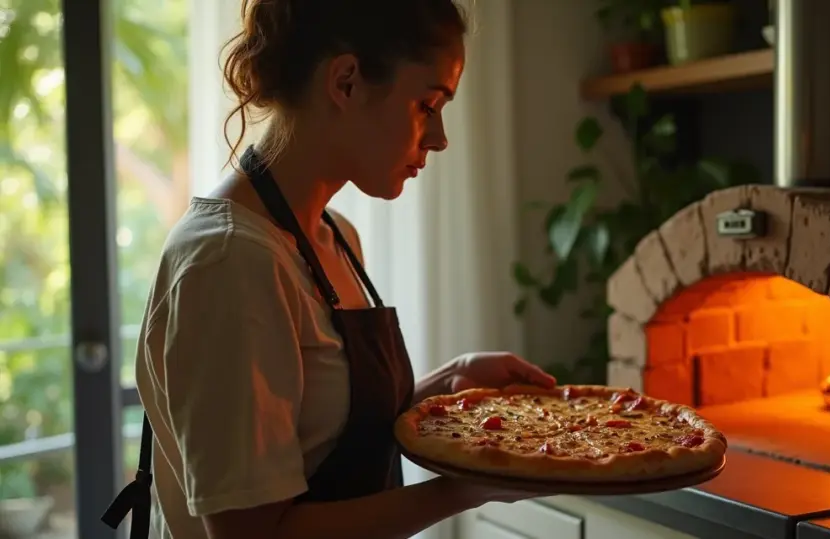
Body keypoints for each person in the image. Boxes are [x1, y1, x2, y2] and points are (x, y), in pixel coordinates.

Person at [101, 1, 555, 538]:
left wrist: (443, 385)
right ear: (346, 82)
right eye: (427, 105)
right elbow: (251, 535)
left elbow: (319, 432)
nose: (439, 137)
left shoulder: (333, 233)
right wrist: (467, 486)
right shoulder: (230, 260)